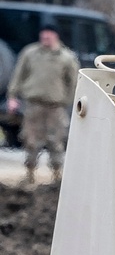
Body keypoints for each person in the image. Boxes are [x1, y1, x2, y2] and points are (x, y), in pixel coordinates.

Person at [5, 20, 79, 185]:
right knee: (30, 139)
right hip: (33, 104)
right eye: (43, 34)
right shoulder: (30, 53)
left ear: (56, 36)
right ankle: (30, 173)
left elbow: (73, 82)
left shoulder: (66, 57)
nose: (45, 37)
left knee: (56, 141)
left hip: (56, 106)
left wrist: (69, 102)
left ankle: (57, 175)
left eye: (49, 34)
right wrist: (12, 96)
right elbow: (18, 75)